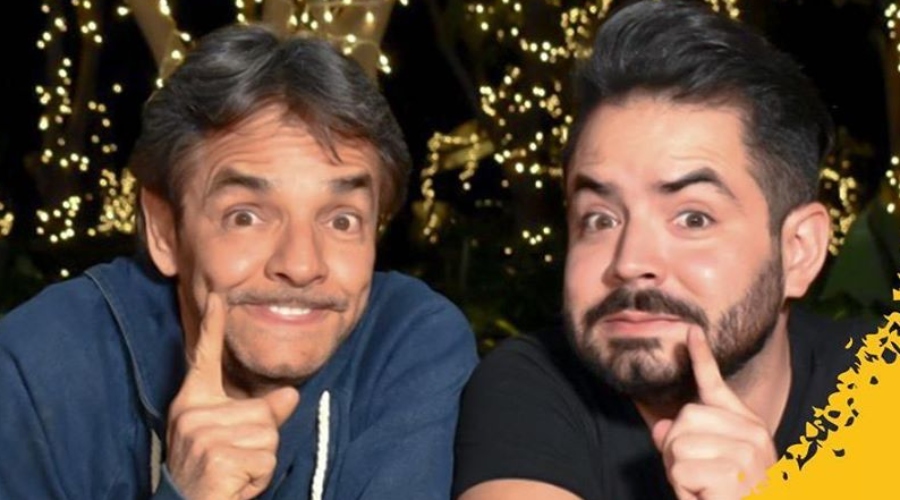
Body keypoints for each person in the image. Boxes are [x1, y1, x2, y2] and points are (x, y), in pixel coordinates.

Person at [0, 24, 478, 499]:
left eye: (341, 220)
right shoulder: (41, 366)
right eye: (245, 217)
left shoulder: (410, 342)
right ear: (165, 231)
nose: (301, 264)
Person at [452, 1, 876, 499]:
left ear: (798, 251)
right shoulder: (533, 387)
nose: (630, 262)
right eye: (600, 219)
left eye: (693, 218)